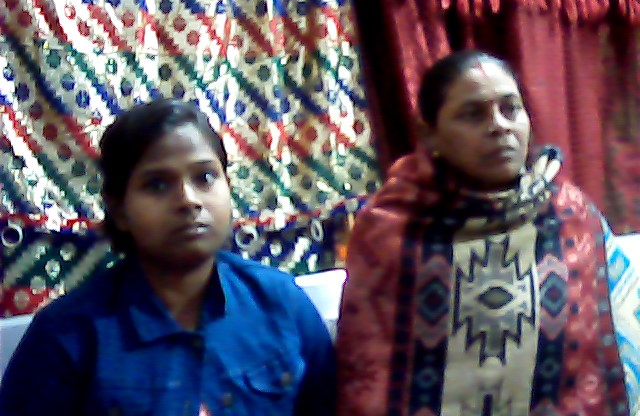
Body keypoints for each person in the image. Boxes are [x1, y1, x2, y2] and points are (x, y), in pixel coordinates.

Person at [336, 51, 640, 416]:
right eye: (472, 114)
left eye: (510, 109)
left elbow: (620, 336)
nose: (499, 126)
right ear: (429, 135)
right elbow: (369, 372)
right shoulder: (392, 231)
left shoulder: (571, 215)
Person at [0, 99, 336, 416]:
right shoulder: (67, 337)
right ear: (120, 210)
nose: (189, 200)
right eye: (157, 184)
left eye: (205, 177)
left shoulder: (281, 303)